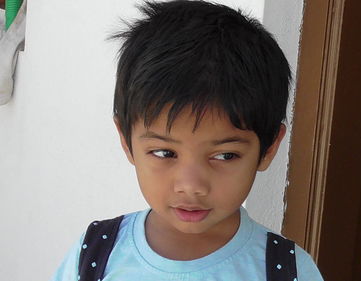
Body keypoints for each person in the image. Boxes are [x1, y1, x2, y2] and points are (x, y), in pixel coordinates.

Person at [51, 1, 323, 280]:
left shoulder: (288, 270)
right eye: (164, 153)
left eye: (225, 155)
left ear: (269, 148)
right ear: (126, 139)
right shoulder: (97, 254)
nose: (191, 186)